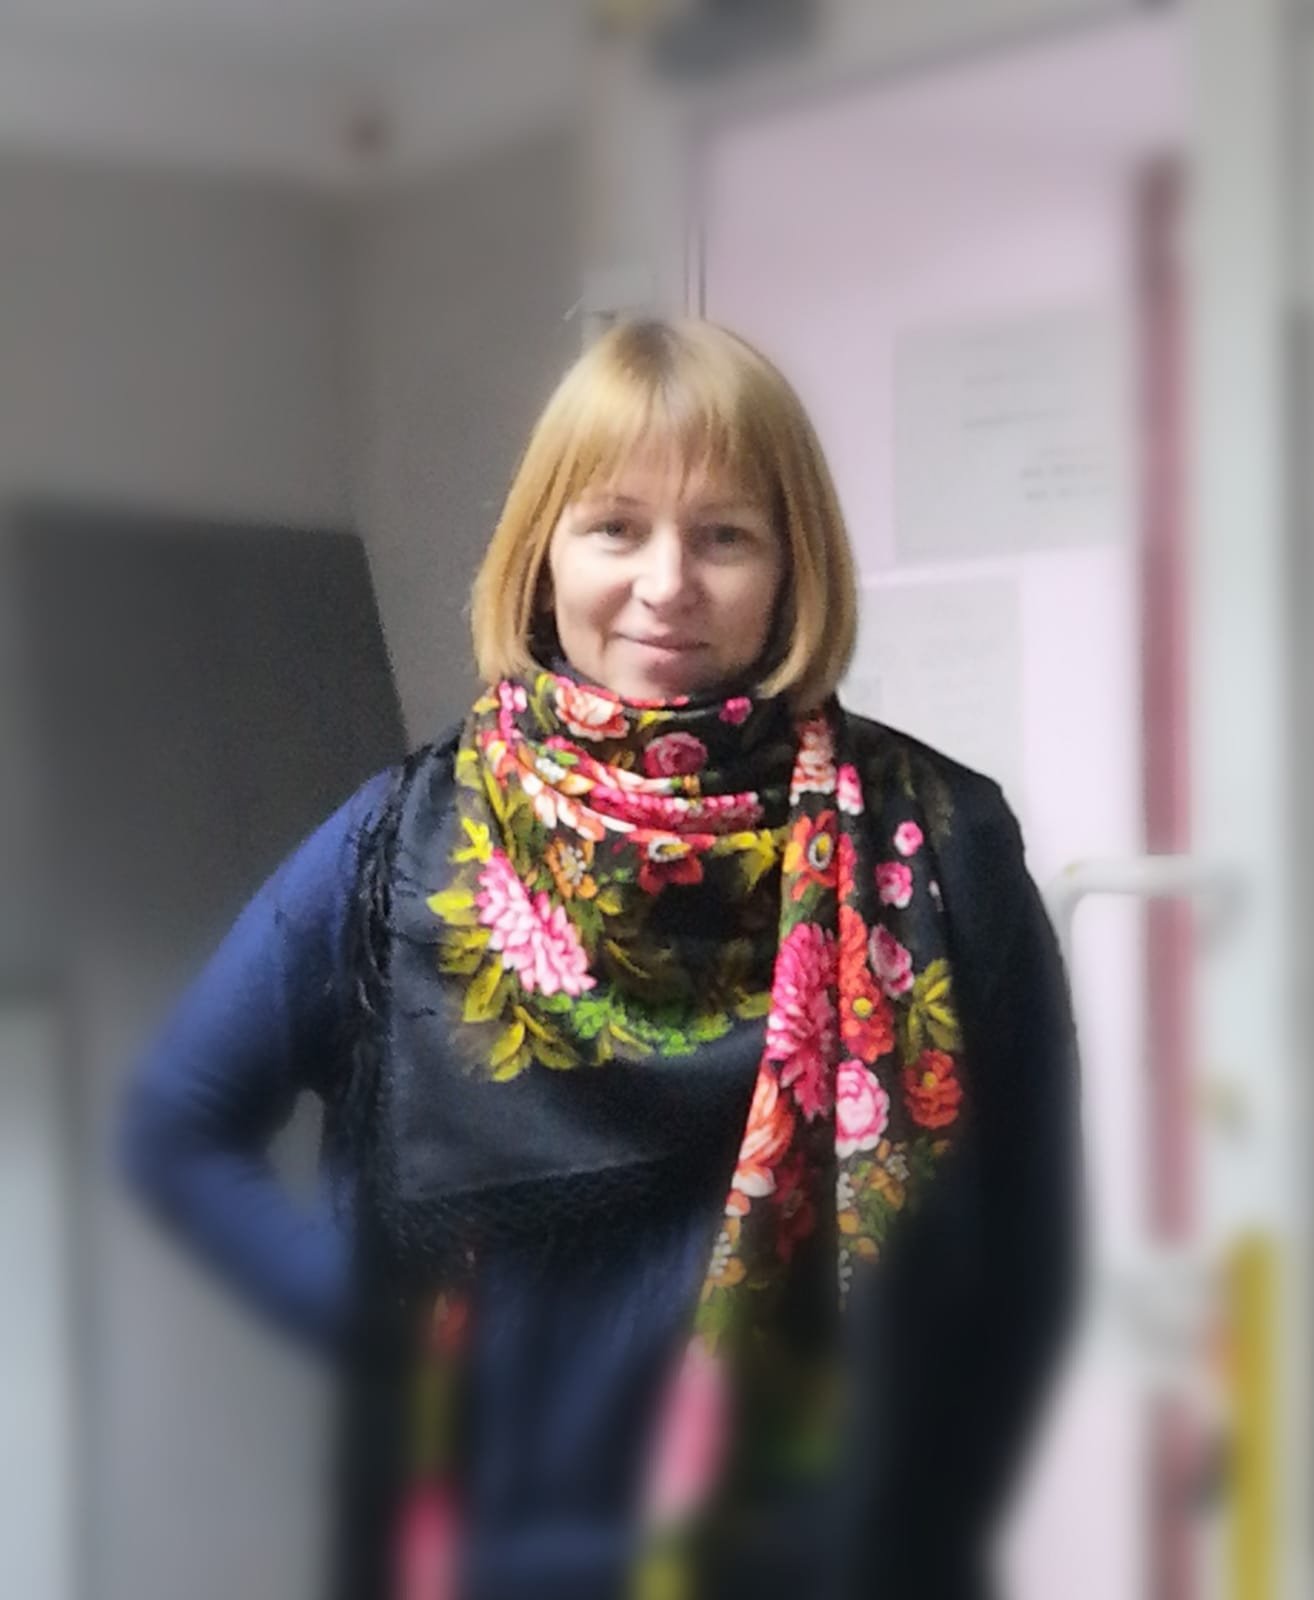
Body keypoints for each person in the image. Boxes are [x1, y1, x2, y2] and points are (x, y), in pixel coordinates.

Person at [121, 317, 1081, 1600]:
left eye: (724, 535)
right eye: (615, 527)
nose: (667, 582)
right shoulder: (400, 843)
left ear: (792, 564)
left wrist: (927, 1504)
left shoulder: (943, 839)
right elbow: (178, 1120)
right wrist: (370, 1331)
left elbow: (1026, 1234)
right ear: (545, 553)